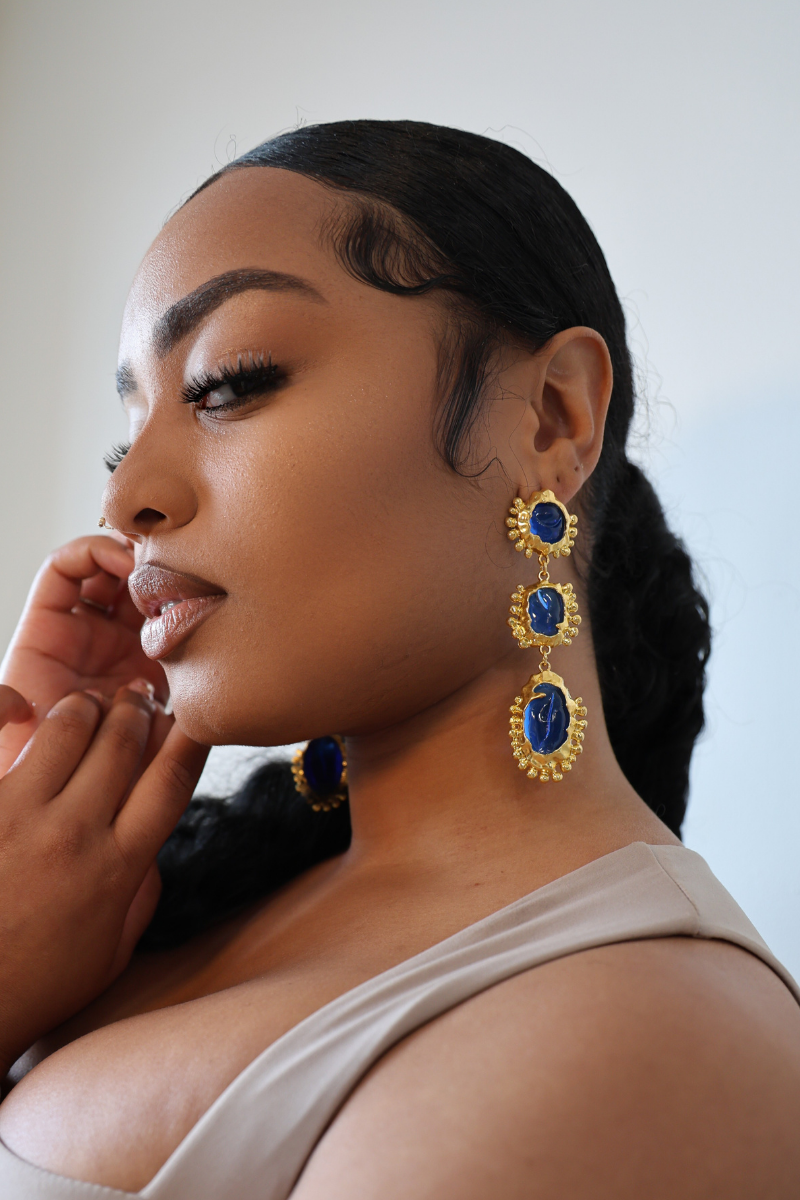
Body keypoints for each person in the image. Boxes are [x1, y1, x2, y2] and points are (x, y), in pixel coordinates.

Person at [0, 119, 798, 1199]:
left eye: (229, 381)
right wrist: (46, 806)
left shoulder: (630, 1038)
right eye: (124, 433)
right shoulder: (171, 907)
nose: (124, 497)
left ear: (551, 419)